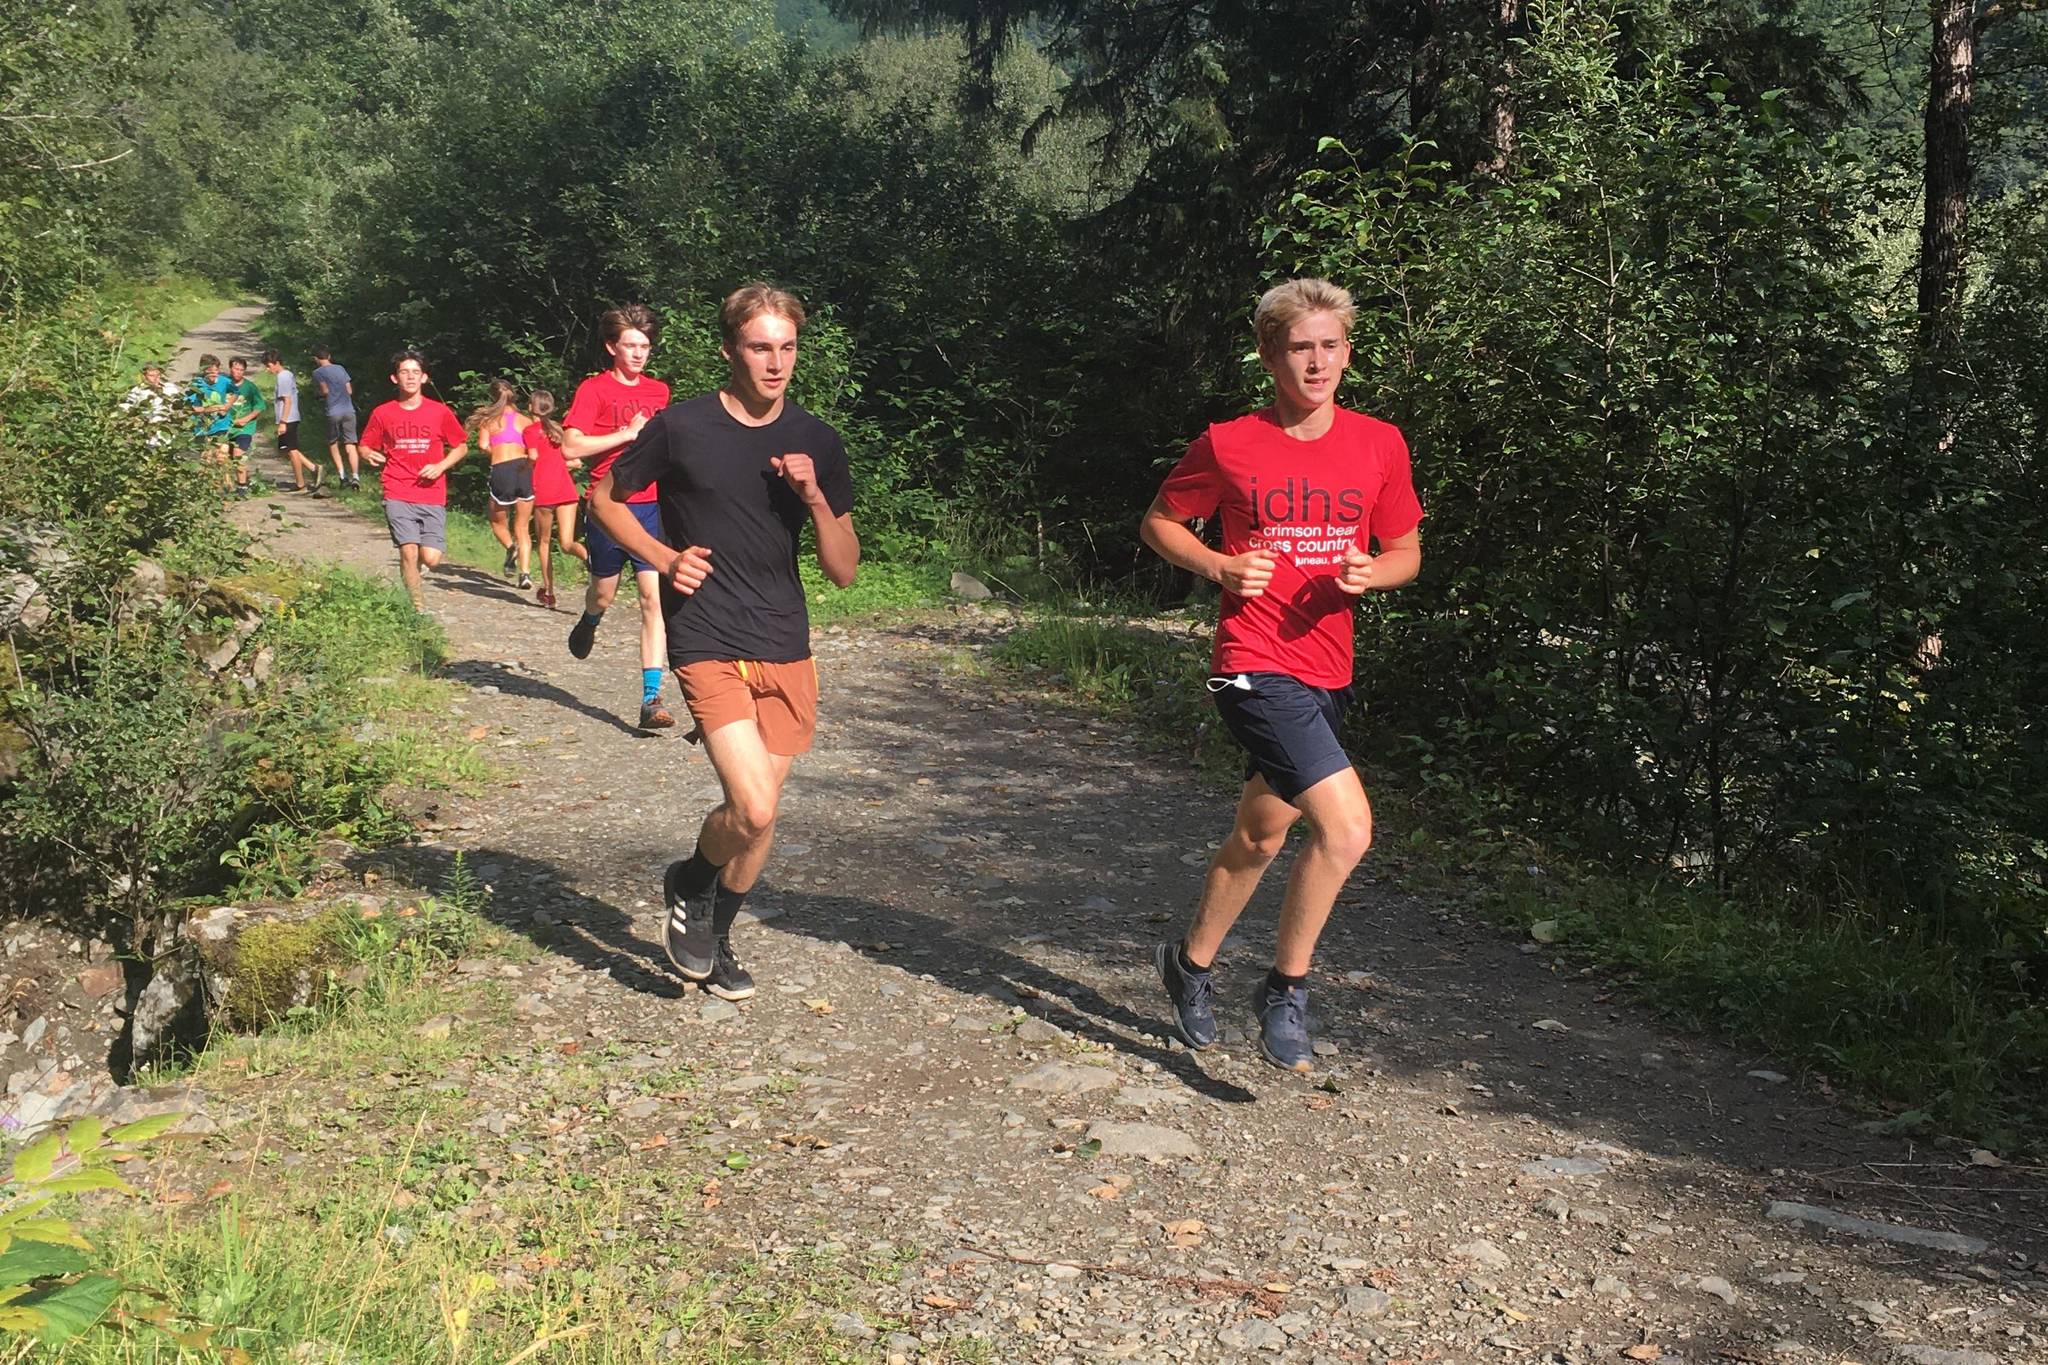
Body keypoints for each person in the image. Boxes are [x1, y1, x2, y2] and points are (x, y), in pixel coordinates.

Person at [1138, 278, 1423, 1073]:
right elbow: (1159, 520)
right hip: (1252, 665)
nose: (1318, 361)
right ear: (1270, 355)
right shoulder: (1231, 442)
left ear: (1348, 354)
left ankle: (1189, 966)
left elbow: (1406, 549)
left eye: (1331, 345)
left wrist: (1376, 573)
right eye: (1301, 346)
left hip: (1329, 667)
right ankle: (1286, 989)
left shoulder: (1379, 443)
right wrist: (1220, 565)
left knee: (1263, 834)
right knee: (1347, 828)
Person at [589, 283, 858, 1001]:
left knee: (758, 811)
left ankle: (717, 928)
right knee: (755, 806)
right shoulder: (682, 427)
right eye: (760, 346)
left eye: (787, 347)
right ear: (729, 350)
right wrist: (663, 556)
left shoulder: (817, 440)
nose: (776, 363)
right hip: (706, 631)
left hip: (785, 638)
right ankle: (691, 881)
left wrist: (815, 498)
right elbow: (605, 498)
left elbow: (844, 568)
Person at [563, 303, 674, 731]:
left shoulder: (659, 391)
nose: (638, 353)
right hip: (605, 507)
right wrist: (627, 434)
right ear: (612, 347)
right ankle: (590, 619)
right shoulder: (593, 390)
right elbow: (571, 448)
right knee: (603, 595)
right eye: (630, 345)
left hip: (648, 506)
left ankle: (651, 698)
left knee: (653, 599)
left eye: (644, 346)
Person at [359, 350, 469, 611]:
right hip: (397, 488)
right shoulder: (383, 413)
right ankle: (417, 607)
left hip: (432, 492)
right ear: (394, 378)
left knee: (430, 559)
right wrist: (367, 454)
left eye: (415, 372)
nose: (410, 377)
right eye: (404, 372)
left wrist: (440, 466)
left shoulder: (439, 412)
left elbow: (461, 446)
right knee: (408, 550)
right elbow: (364, 445)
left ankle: (413, 572)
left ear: (424, 378)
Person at [470, 378, 536, 589]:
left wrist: (497, 451)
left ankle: (510, 547)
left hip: (502, 469)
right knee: (523, 526)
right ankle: (525, 574)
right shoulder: (526, 421)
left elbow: (483, 445)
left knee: (497, 520)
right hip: (525, 470)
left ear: (492, 397)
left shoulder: (489, 421)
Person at [526, 389, 586, 610]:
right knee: (568, 542)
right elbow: (576, 462)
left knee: (543, 542)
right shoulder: (559, 430)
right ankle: (591, 560)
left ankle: (549, 591)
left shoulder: (531, 431)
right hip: (566, 490)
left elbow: (533, 456)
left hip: (544, 490)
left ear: (531, 407)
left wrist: (524, 464)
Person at [265, 350, 317, 493]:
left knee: (291, 449)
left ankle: (300, 482)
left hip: (288, 418)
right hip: (288, 418)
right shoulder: (286, 375)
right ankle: (313, 468)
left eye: (269, 365)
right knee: (286, 449)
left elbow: (287, 400)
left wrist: (283, 421)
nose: (267, 369)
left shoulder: (283, 377)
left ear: (276, 364)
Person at [311, 345, 361, 489]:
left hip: (333, 411)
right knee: (350, 444)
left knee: (333, 444)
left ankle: (342, 476)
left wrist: (318, 395)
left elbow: (325, 391)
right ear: (329, 356)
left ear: (316, 359)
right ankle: (355, 476)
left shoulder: (318, 372)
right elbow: (349, 390)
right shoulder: (340, 368)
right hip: (348, 410)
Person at [187, 354, 233, 484]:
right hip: (203, 426)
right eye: (210, 372)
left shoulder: (224, 381)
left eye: (216, 371)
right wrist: (212, 409)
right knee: (206, 458)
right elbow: (194, 409)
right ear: (203, 371)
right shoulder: (196, 385)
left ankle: (227, 485)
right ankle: (204, 487)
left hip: (221, 425)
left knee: (222, 456)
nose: (214, 375)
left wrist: (226, 407)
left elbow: (234, 395)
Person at [225, 356, 264, 497]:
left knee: (238, 454)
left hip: (244, 428)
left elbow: (259, 406)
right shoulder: (224, 383)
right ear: (230, 368)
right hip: (226, 427)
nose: (238, 372)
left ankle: (242, 486)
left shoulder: (250, 387)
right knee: (224, 456)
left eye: (242, 370)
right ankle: (227, 486)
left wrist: (245, 419)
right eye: (236, 369)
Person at [120, 363, 182, 450]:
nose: (156, 378)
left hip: (166, 433)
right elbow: (126, 407)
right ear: (144, 376)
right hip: (146, 434)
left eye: (158, 375)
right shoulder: (138, 391)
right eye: (151, 375)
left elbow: (178, 405)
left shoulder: (170, 388)